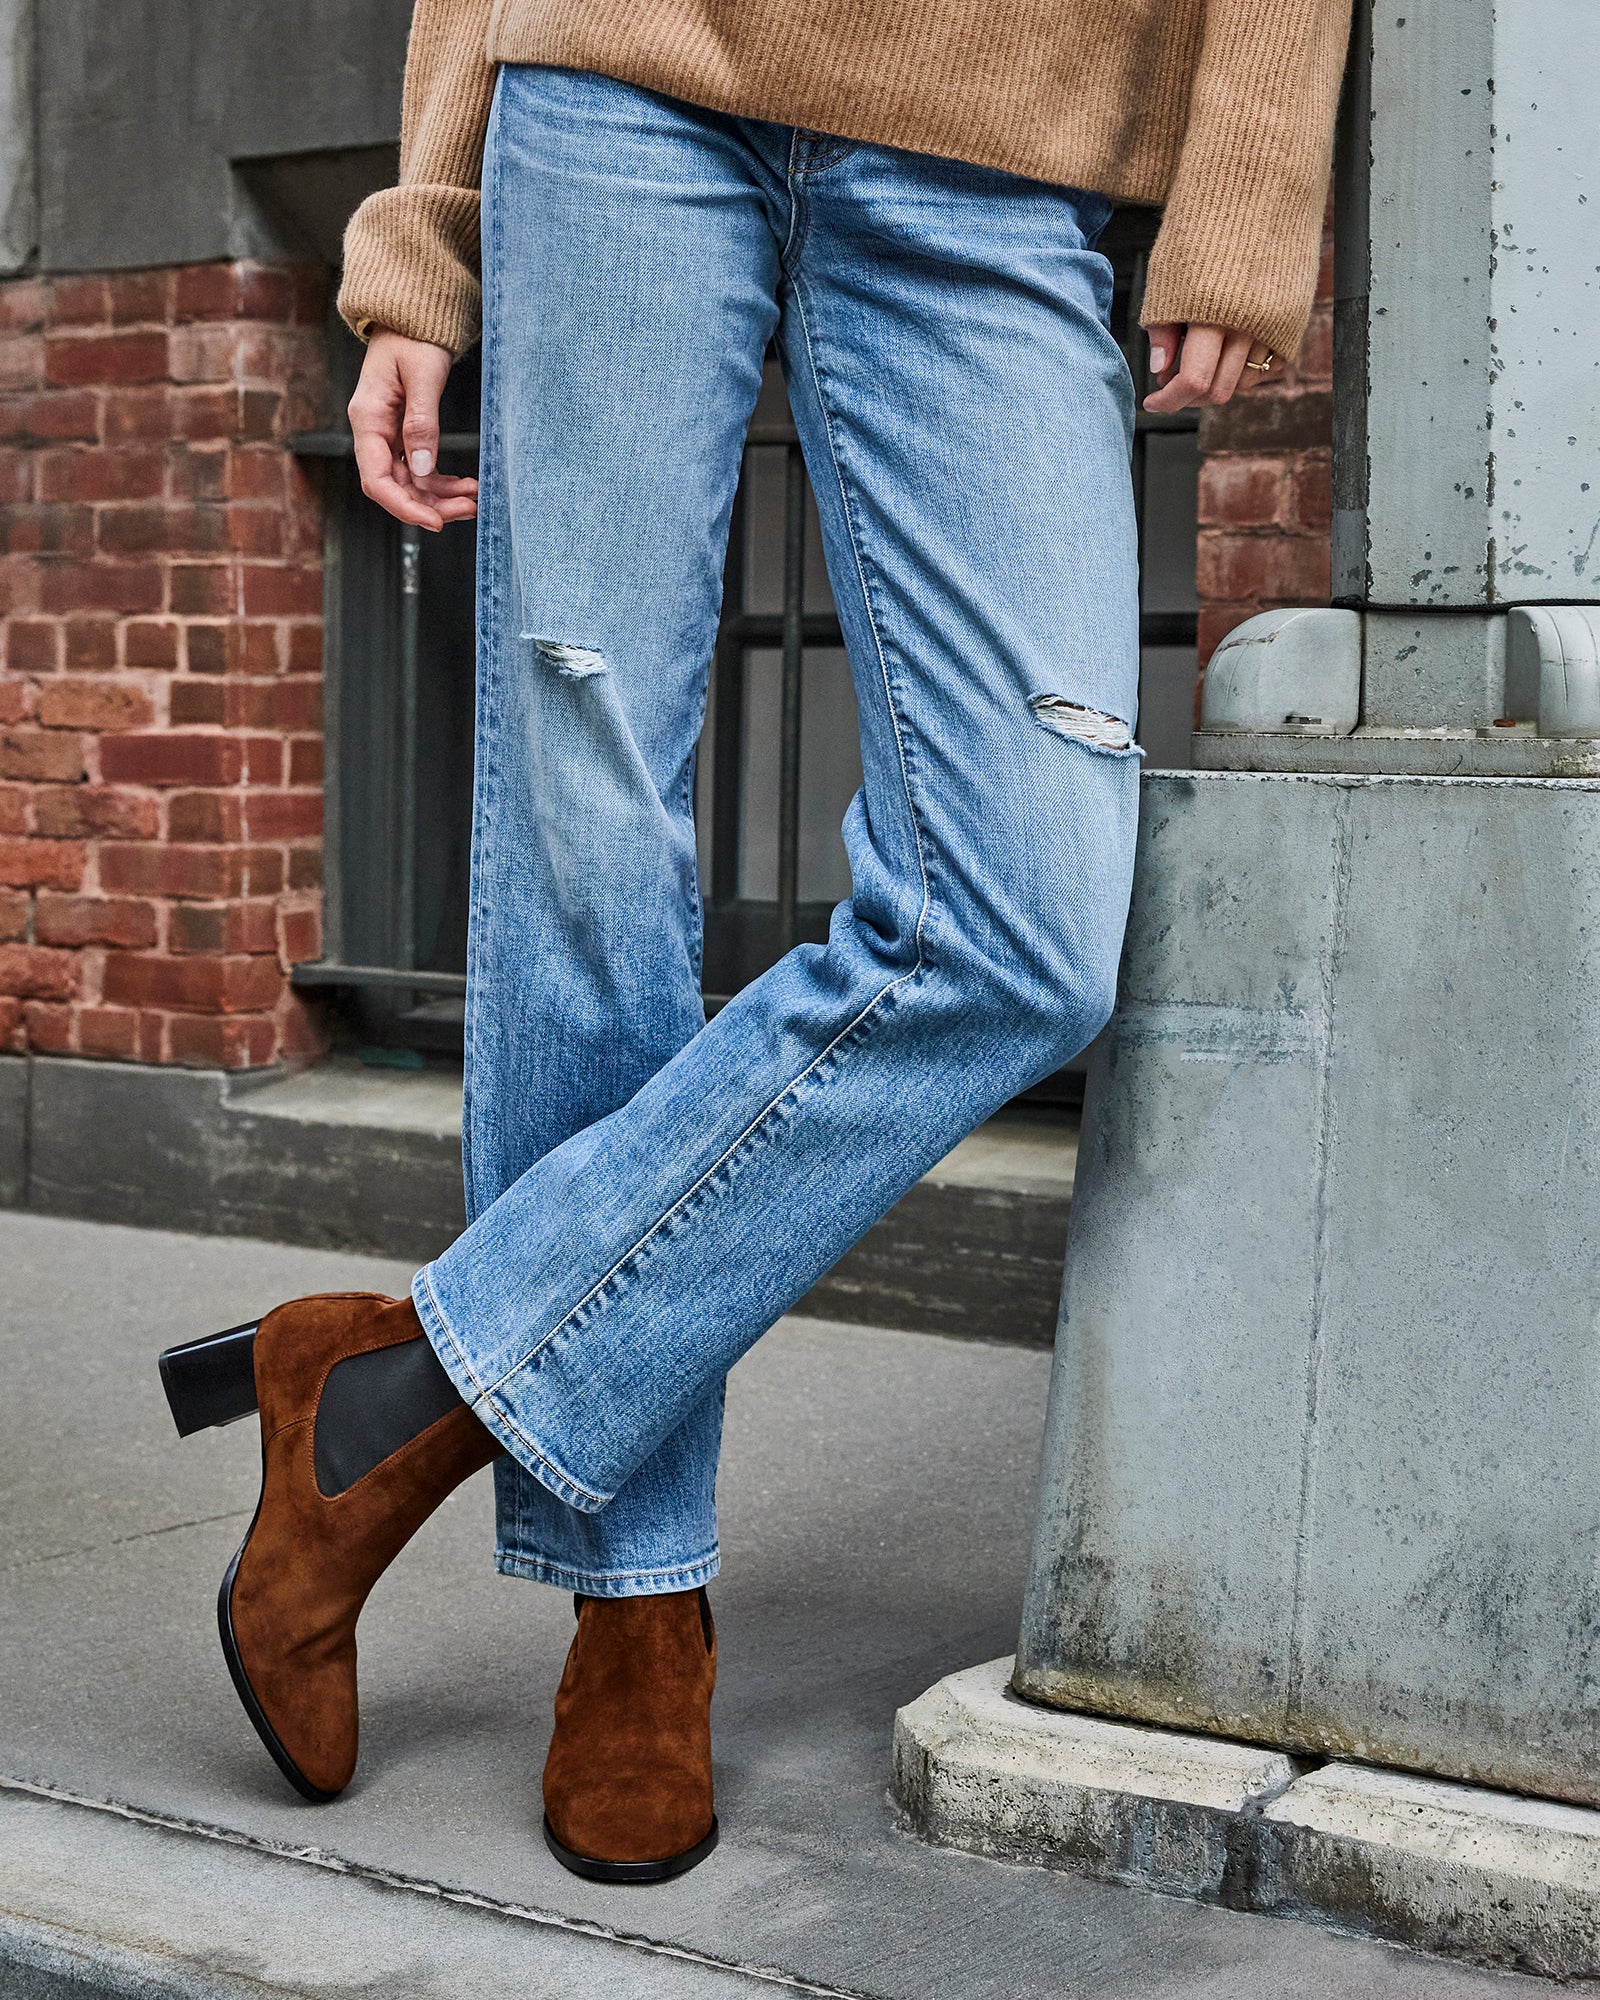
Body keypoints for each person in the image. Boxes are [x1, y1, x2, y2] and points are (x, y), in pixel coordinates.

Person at [158, 0, 1349, 1885]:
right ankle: (637, 1606)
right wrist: (421, 239)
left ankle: (403, 1389)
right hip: (612, 90)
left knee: (1024, 923)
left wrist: (1249, 178)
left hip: (1012, 129)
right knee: (585, 859)